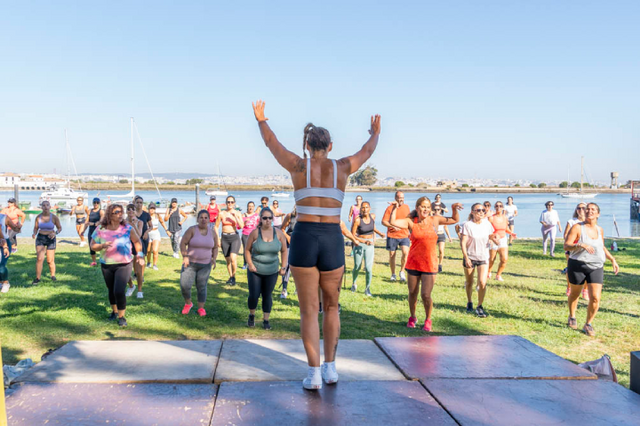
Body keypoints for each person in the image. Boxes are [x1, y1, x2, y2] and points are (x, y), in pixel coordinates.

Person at [253, 99, 380, 390]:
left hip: (305, 237)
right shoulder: (343, 166)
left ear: (307, 145)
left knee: (309, 310)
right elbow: (368, 151)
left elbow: (272, 144)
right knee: (332, 307)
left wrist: (261, 120)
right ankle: (330, 369)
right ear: (330, 146)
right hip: (332, 237)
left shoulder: (298, 165)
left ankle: (313, 374)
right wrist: (375, 132)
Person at [391, 197, 461, 331]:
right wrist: (395, 208)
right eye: (423, 207)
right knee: (412, 293)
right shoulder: (411, 222)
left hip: (429, 263)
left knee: (426, 295)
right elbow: (393, 222)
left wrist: (453, 208)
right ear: (417, 208)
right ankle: (413, 317)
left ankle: (428, 319)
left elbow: (454, 220)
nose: (426, 209)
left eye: (428, 207)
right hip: (413, 263)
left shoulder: (435, 220)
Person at [564, 203, 619, 337]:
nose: (589, 211)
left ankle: (588, 324)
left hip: (596, 266)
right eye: (587, 209)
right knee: (575, 294)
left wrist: (612, 259)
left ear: (598, 214)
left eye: (593, 209)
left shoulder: (600, 230)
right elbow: (566, 245)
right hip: (578, 265)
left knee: (595, 298)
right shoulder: (577, 227)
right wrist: (579, 245)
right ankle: (572, 316)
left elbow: (601, 247)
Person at [91, 204, 145, 327]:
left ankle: (122, 317)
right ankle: (114, 312)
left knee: (119, 290)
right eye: (117, 212)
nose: (120, 214)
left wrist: (140, 255)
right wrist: (102, 246)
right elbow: (92, 245)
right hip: (107, 264)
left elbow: (137, 241)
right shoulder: (101, 229)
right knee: (111, 289)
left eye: (121, 212)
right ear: (110, 214)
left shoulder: (127, 228)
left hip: (124, 264)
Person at [244, 207, 288, 329]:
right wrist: (250, 264)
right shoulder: (255, 233)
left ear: (273, 219)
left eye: (270, 218)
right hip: (255, 270)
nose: (268, 220)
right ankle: (252, 315)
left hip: (272, 270)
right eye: (265, 218)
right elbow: (247, 250)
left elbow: (284, 250)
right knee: (254, 295)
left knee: (267, 295)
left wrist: (283, 267)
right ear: (260, 219)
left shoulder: (278, 233)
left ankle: (266, 320)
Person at [461, 203, 500, 318]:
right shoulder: (467, 225)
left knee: (482, 282)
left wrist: (495, 238)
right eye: (478, 210)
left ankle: (480, 306)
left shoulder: (487, 224)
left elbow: (491, 235)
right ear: (472, 212)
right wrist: (466, 257)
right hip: (470, 257)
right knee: (469, 282)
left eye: (483, 210)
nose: (482, 212)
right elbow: (463, 242)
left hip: (483, 257)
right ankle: (469, 301)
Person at [179, 210, 219, 317]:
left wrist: (214, 258)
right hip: (190, 263)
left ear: (209, 220)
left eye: (206, 218)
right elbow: (183, 243)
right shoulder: (192, 230)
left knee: (201, 286)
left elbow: (215, 247)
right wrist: (185, 256)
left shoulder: (212, 233)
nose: (203, 220)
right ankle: (188, 303)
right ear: (197, 219)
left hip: (205, 265)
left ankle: (201, 308)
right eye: (201, 217)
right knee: (184, 285)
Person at [350, 201, 384, 296]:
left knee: (368, 268)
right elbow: (352, 235)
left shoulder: (372, 216)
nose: (365, 209)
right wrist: (363, 241)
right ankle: (354, 283)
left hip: (370, 244)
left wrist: (380, 233)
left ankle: (367, 289)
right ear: (360, 209)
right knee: (357, 266)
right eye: (363, 207)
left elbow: (372, 227)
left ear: (370, 208)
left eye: (367, 207)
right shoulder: (358, 220)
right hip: (359, 244)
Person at [381, 191, 410, 282]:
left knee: (405, 252)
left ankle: (402, 271)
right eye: (399, 197)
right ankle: (393, 274)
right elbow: (383, 222)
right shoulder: (390, 208)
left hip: (404, 234)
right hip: (392, 235)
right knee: (392, 255)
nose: (401, 199)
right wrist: (392, 226)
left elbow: (409, 220)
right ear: (395, 198)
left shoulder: (406, 207)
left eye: (402, 197)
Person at [31, 201, 62, 285]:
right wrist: (34, 233)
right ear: (41, 207)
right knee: (39, 259)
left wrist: (55, 233)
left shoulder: (54, 217)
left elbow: (59, 228)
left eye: (47, 205)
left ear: (50, 207)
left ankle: (53, 276)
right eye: (43, 205)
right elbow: (35, 228)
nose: (45, 207)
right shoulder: (38, 217)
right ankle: (37, 278)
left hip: (50, 238)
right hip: (40, 238)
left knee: (50, 260)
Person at [215, 195, 244, 285]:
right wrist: (218, 239)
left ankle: (233, 277)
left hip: (234, 237)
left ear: (234, 203)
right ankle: (230, 276)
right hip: (224, 238)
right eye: (228, 202)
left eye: (232, 202)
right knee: (228, 260)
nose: (230, 203)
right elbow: (216, 227)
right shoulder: (221, 213)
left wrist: (235, 217)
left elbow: (241, 226)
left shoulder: (237, 213)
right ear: (226, 203)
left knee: (233, 258)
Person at [563, 203, 587, 298]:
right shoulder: (571, 221)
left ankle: (585, 290)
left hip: (585, 249)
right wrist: (573, 242)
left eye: (583, 208)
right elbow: (565, 235)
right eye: (578, 208)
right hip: (573, 248)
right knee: (571, 269)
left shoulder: (589, 221)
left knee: (586, 269)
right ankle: (569, 287)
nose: (580, 210)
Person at [487, 201, 516, 282]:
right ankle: (488, 272)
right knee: (491, 259)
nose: (498, 207)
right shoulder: (491, 218)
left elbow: (505, 228)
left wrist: (511, 233)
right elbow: (487, 229)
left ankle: (498, 275)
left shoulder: (505, 217)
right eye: (497, 206)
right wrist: (490, 238)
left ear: (503, 207)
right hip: (494, 239)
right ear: (495, 207)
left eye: (500, 206)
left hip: (503, 239)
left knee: (504, 259)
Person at [124, 204, 144, 298]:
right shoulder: (123, 222)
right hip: (126, 246)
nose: (131, 211)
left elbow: (139, 235)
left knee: (138, 271)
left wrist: (132, 225)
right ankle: (131, 286)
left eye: (133, 209)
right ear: (126, 211)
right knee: (125, 271)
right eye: (129, 209)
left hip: (138, 246)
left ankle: (140, 290)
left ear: (135, 211)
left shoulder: (139, 222)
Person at [133, 196, 152, 292]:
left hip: (143, 238)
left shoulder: (146, 215)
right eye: (137, 202)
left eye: (141, 202)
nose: (139, 204)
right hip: (134, 238)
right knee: (135, 257)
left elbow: (151, 226)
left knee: (142, 256)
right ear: (134, 203)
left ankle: (141, 275)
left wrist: (146, 232)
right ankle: (136, 273)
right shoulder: (132, 214)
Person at [279, 206, 297, 299]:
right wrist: (287, 237)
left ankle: (299, 288)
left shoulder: (307, 216)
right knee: (286, 266)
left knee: (299, 267)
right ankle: (284, 289)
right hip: (289, 242)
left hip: (301, 244)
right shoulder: (290, 216)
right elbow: (282, 229)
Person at [0, 212, 21, 293]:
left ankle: (5, 283)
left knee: (1, 265)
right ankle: (1, 282)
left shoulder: (4, 218)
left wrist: (18, 227)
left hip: (4, 243)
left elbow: (15, 229)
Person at [84, 198, 104, 266]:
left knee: (102, 246)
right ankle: (94, 261)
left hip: (99, 231)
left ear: (99, 203)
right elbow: (86, 222)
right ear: (92, 203)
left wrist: (94, 223)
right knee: (91, 246)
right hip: (91, 231)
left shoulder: (101, 211)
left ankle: (103, 259)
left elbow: (101, 222)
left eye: (97, 202)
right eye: (94, 202)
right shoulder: (90, 211)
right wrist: (83, 231)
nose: (96, 204)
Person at [146, 203, 166, 270]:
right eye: (150, 208)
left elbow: (162, 222)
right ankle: (148, 262)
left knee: (155, 250)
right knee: (148, 251)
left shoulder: (157, 215)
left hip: (156, 233)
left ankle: (155, 265)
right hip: (148, 234)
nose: (152, 210)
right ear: (148, 209)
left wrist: (167, 230)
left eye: (153, 208)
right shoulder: (146, 216)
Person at [433, 204, 452, 272]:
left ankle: (440, 264)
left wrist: (449, 237)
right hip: (434, 235)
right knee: (433, 251)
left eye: (438, 209)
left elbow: (445, 227)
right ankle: (434, 264)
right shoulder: (431, 218)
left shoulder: (443, 218)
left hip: (441, 235)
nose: (436, 211)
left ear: (440, 210)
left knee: (441, 250)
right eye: (435, 210)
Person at [241, 201, 260, 269]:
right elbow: (239, 226)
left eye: (252, 206)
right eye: (249, 206)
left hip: (254, 235)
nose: (251, 208)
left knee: (254, 249)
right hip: (245, 234)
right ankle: (245, 263)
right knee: (246, 249)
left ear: (254, 207)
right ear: (247, 207)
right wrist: (245, 222)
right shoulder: (243, 215)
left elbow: (259, 225)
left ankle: (253, 262)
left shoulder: (256, 216)